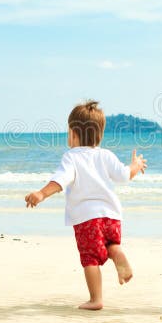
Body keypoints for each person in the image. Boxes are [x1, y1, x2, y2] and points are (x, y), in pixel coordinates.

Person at [25, 100, 148, 310]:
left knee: (90, 258)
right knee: (110, 245)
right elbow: (124, 175)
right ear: (99, 135)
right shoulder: (106, 155)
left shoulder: (71, 157)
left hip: (86, 219)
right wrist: (135, 165)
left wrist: (41, 193)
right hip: (112, 216)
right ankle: (119, 255)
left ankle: (96, 299)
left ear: (73, 133)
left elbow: (60, 181)